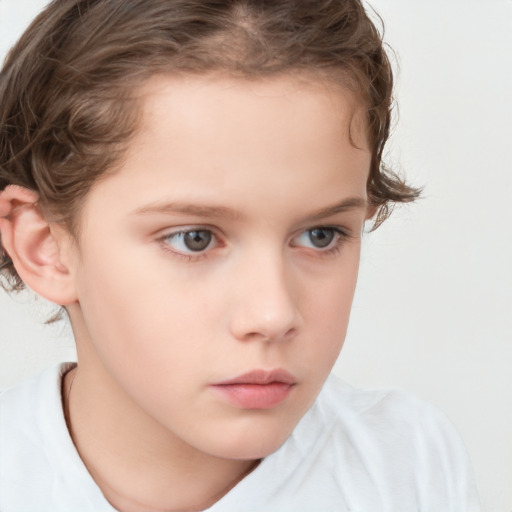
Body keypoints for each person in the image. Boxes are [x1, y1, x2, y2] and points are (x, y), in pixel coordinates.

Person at [0, 1, 480, 511]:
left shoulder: (407, 468)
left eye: (320, 235)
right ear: (46, 246)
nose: (273, 315)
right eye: (195, 239)